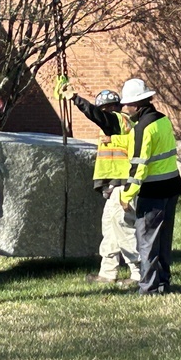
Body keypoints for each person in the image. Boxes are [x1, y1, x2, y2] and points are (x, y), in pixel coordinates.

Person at [60, 84, 141, 287]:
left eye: (103, 109)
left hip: (122, 185)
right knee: (110, 230)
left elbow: (95, 115)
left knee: (123, 228)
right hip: (114, 187)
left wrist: (75, 98)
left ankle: (139, 272)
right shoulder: (122, 126)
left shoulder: (116, 120)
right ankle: (107, 273)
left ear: (110, 108)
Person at [115, 78, 181, 296]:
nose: (124, 108)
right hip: (171, 188)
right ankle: (162, 283)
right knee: (163, 240)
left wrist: (127, 195)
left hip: (152, 192)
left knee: (147, 242)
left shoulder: (142, 129)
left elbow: (138, 167)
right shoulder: (163, 120)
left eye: (127, 105)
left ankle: (148, 287)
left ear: (138, 105)